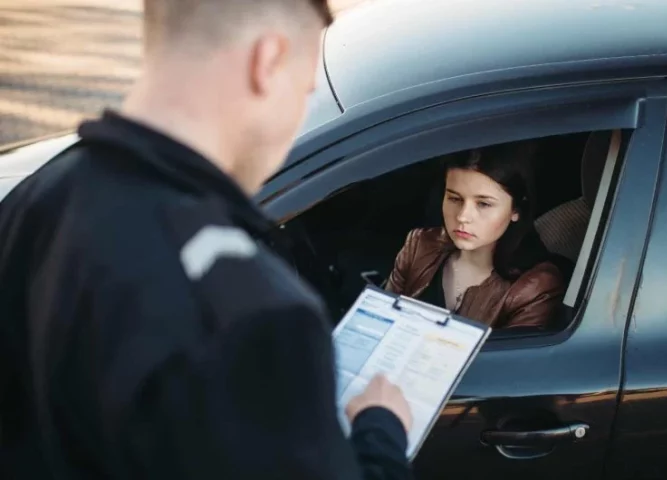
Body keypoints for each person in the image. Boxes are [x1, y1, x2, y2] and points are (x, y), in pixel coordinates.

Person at [0, 1, 413, 479]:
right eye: (305, 92)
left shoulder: (35, 196)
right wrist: (381, 433)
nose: (299, 116)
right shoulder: (258, 316)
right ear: (268, 61)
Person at [385, 143, 565, 330]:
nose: (463, 216)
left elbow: (509, 359)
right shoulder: (419, 246)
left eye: (483, 204)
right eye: (455, 199)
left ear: (516, 210)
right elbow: (379, 321)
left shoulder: (534, 287)